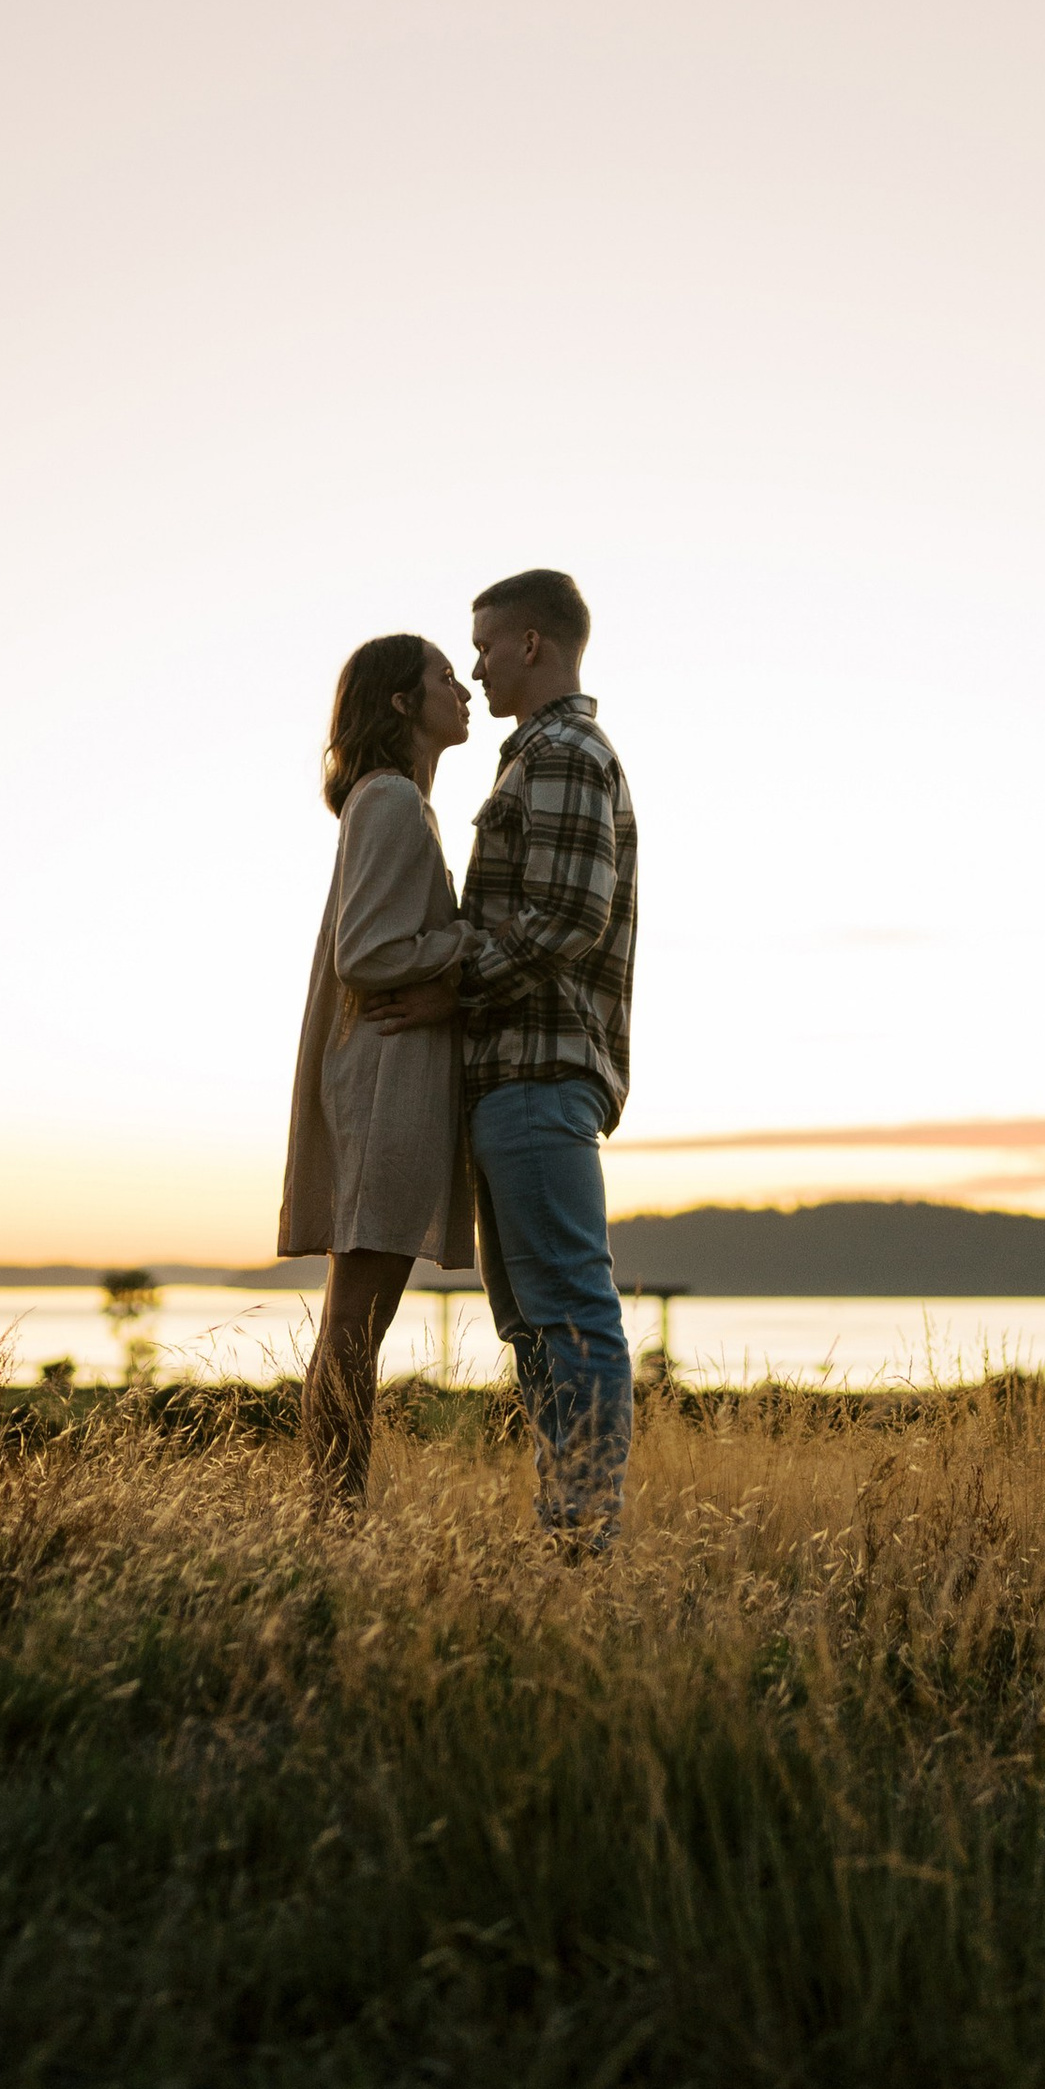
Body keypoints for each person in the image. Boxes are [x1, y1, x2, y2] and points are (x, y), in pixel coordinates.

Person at [369, 567, 637, 1546]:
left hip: (538, 1076)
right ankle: (568, 1529)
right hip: (513, 1083)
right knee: (535, 1325)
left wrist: (449, 984)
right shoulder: (535, 757)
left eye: (483, 646)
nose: (474, 668)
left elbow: (566, 919)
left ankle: (583, 1537)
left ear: (531, 644)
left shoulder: (563, 752)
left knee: (566, 1316)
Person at [279, 632, 476, 1505]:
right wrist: (470, 947)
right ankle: (335, 1511)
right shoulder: (394, 799)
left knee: (352, 1320)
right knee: (358, 1323)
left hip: (383, 1072)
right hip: (387, 1079)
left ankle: (331, 1507)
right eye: (444, 676)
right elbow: (368, 953)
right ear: (402, 703)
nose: (463, 686)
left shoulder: (387, 800)